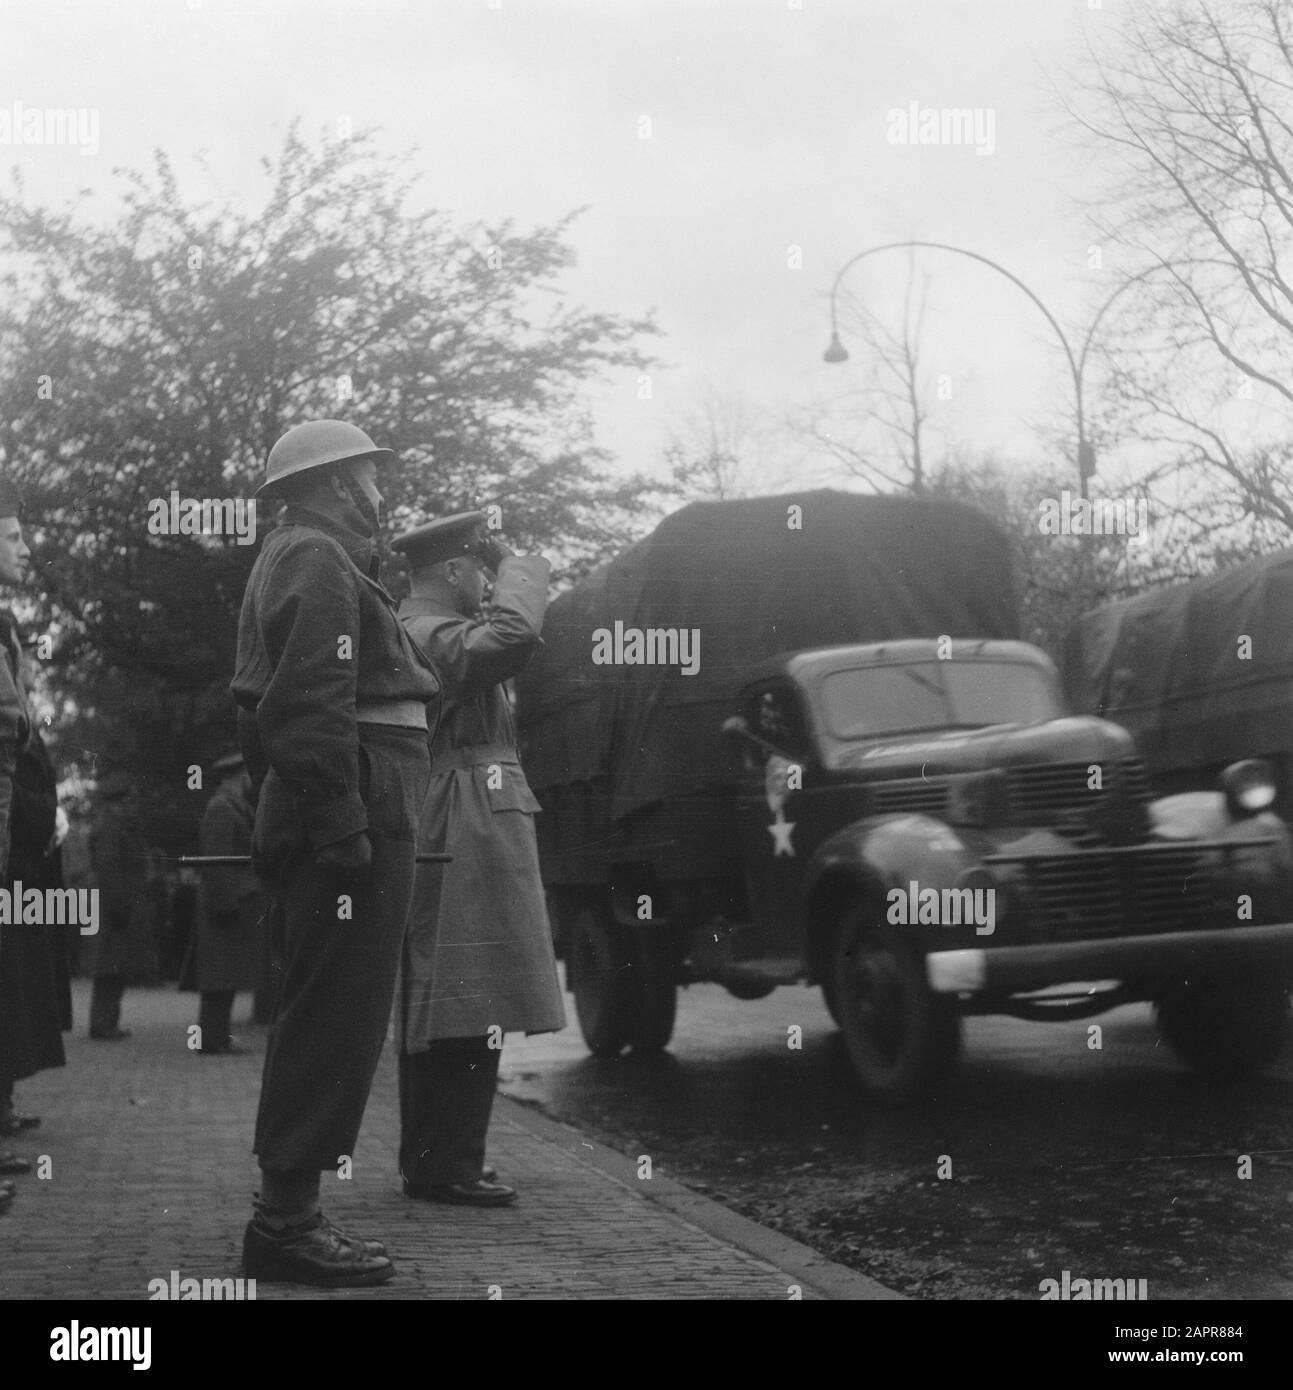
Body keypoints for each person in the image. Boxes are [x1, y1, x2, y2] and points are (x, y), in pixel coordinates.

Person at [231, 419, 440, 1286]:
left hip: (347, 794)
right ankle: (286, 1223)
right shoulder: (315, 555)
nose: (381, 493)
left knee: (326, 1010)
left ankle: (290, 1215)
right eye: (371, 477)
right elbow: (307, 699)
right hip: (350, 800)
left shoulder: (309, 555)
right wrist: (340, 820)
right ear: (339, 484)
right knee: (334, 1015)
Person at [392, 512, 565, 1206]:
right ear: (452, 571)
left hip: (467, 815)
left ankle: (446, 1159)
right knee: (461, 996)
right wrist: (523, 562)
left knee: (467, 996)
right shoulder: (427, 632)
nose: (488, 583)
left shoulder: (429, 630)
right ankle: (444, 1165)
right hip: (460, 819)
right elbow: (517, 634)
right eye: (481, 570)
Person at [0, 478, 69, 1197]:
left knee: (14, 978)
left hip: (18, 840)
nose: (25, 547)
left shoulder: (7, 627)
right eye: (13, 535)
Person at [188, 751, 264, 1055]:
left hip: (230, 900)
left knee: (225, 973)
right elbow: (216, 860)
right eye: (245, 775)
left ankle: (217, 1036)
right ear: (237, 777)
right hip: (224, 903)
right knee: (219, 975)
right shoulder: (222, 807)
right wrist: (225, 903)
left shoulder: (229, 805)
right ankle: (212, 1039)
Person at [86, 772, 156, 1039]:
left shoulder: (117, 824)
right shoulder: (109, 826)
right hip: (113, 905)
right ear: (120, 799)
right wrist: (118, 905)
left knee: (117, 965)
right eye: (129, 798)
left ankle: (108, 1022)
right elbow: (109, 868)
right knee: (109, 966)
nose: (133, 802)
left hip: (119, 904)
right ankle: (102, 1024)